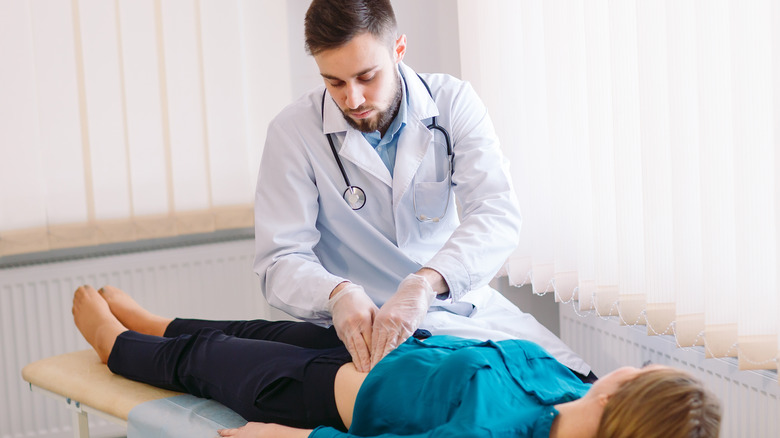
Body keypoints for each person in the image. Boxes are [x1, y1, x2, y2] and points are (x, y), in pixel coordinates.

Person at [254, 0, 590, 377]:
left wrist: (425, 284)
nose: (353, 99)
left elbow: (495, 213)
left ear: (398, 49)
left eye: (367, 77)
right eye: (334, 82)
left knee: (578, 380)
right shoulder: (293, 132)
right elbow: (280, 259)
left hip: (458, 300)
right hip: (366, 327)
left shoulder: (452, 102)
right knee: (490, 392)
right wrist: (336, 294)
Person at [72, 285, 721, 438]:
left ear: (621, 398)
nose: (626, 367)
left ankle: (116, 344)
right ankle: (157, 324)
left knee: (211, 358)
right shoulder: (571, 382)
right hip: (385, 348)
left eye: (637, 374)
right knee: (259, 329)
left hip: (321, 393)